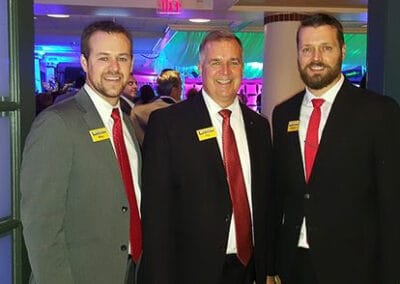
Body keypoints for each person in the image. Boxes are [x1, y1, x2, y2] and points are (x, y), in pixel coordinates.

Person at [139, 30, 276, 284]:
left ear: (242, 68)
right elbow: (155, 213)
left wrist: (268, 267)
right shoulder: (169, 125)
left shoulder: (259, 126)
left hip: (250, 270)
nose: (225, 71)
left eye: (233, 62)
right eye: (216, 62)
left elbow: (265, 201)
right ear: (200, 67)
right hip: (191, 271)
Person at [272, 13, 400, 284]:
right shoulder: (284, 114)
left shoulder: (378, 112)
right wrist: (273, 264)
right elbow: (282, 193)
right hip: (294, 265)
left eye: (325, 48)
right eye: (307, 49)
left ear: (342, 50)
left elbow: (391, 203)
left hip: (355, 267)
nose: (315, 57)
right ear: (298, 54)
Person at [20, 20, 142, 284]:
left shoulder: (126, 123)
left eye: (121, 58)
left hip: (127, 272)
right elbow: (41, 227)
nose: (114, 68)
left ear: (131, 64)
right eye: (103, 58)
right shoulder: (57, 124)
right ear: (85, 63)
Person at [132, 70, 181, 145]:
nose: (181, 90)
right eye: (181, 87)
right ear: (174, 90)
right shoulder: (182, 111)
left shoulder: (138, 111)